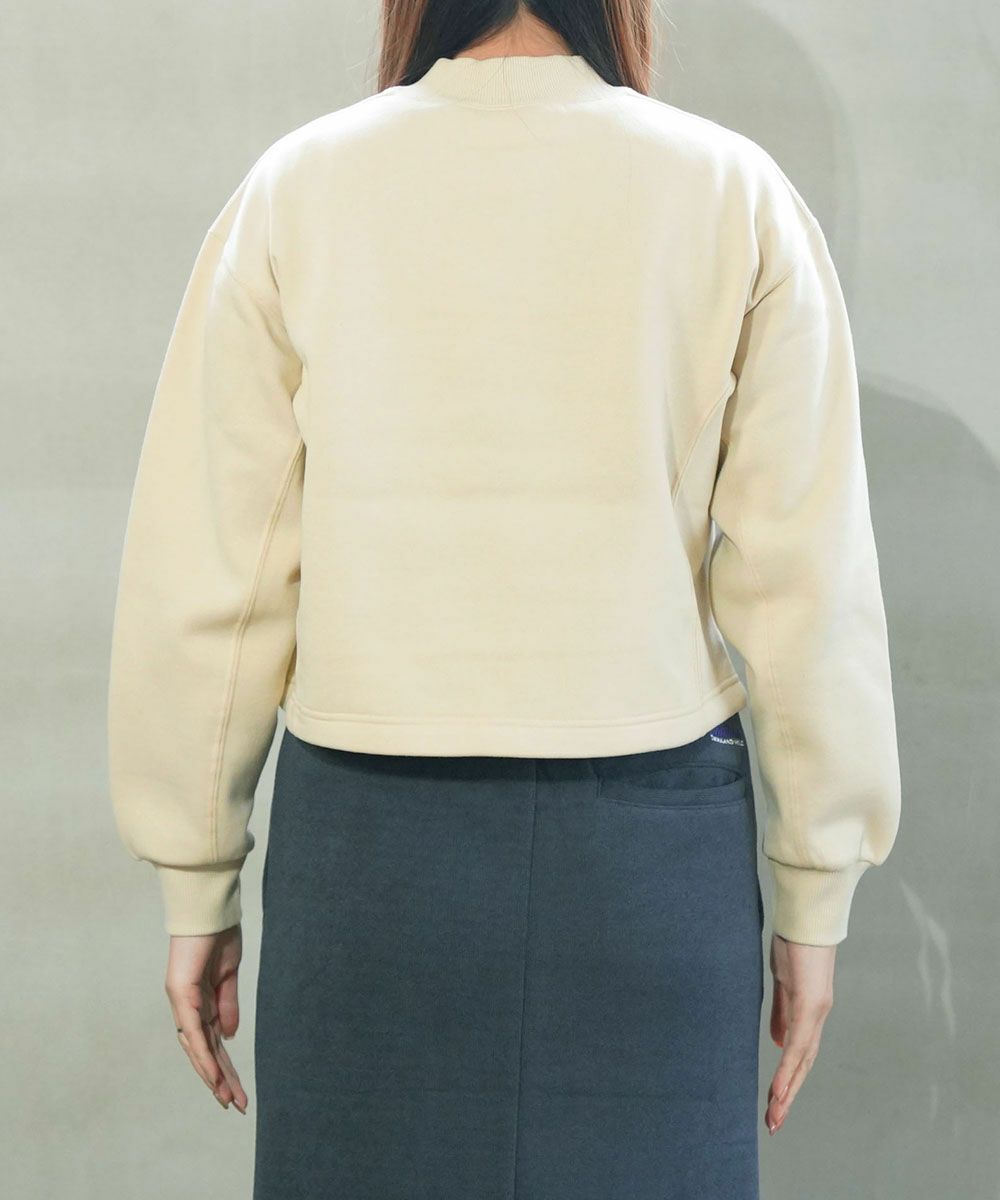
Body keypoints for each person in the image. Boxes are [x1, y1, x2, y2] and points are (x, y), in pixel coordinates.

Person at [106, 2, 902, 1197]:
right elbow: (806, 587)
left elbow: (214, 571)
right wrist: (813, 893)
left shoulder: (301, 191)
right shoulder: (730, 193)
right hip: (648, 867)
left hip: (371, 865)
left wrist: (194, 871)